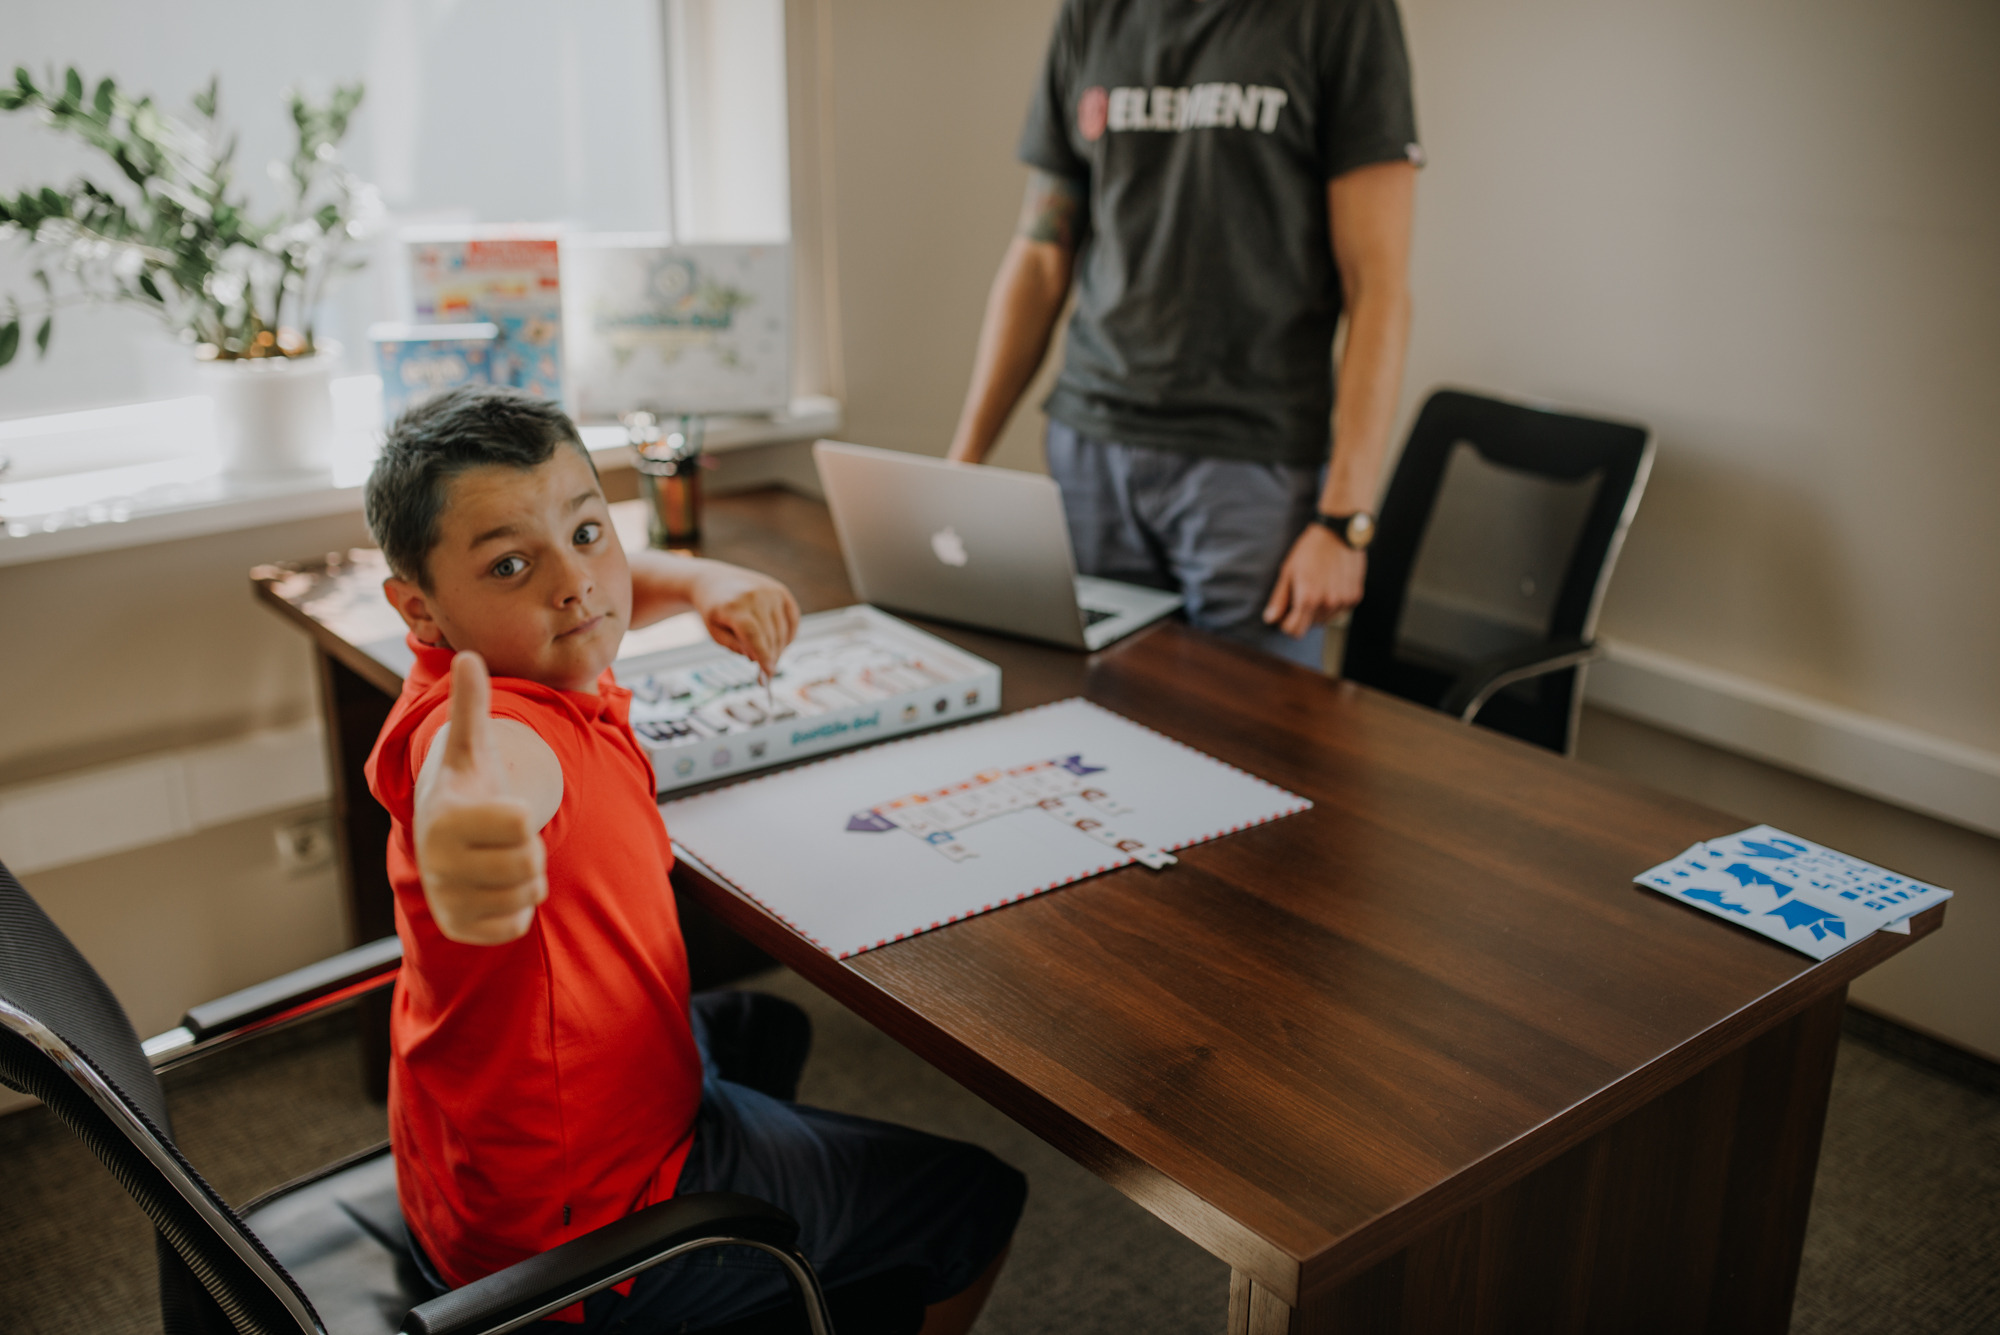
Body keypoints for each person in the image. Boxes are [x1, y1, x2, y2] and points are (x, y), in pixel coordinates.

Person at [361, 386, 1024, 1334]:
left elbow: (600, 574)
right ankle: (713, 1271)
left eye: (588, 532)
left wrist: (705, 583)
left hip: (471, 1167)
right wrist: (464, 844)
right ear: (420, 612)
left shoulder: (537, 648)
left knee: (764, 1023)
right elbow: (473, 782)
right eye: (511, 563)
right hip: (567, 1241)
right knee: (974, 1196)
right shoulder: (496, 728)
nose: (575, 585)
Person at [948, 0, 1421, 668]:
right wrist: (961, 466)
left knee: (1249, 743)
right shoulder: (1091, 15)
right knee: (1090, 722)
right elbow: (1040, 255)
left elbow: (1378, 289)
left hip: (1252, 471)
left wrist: (1345, 520)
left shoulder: (1340, 15)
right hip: (1090, 451)